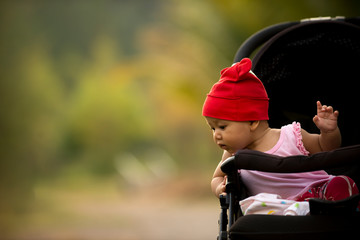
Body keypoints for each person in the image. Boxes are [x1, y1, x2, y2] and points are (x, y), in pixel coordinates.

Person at [202, 58, 359, 203]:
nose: (216, 135)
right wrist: (219, 189)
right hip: (274, 209)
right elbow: (217, 177)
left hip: (316, 197)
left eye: (222, 127)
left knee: (341, 183)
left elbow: (327, 149)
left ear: (252, 122)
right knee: (253, 210)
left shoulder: (291, 135)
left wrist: (329, 133)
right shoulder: (233, 154)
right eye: (213, 128)